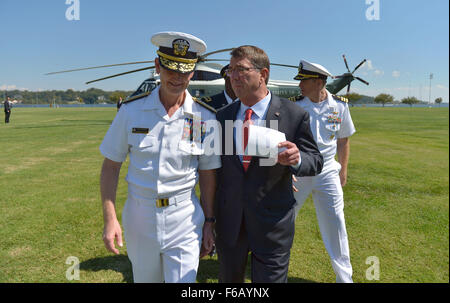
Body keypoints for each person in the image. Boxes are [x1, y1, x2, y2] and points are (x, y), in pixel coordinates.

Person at [99, 31, 221, 283]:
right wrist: (110, 218)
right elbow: (111, 166)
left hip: (185, 218)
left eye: (184, 71)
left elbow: (208, 174)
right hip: (140, 216)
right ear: (157, 66)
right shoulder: (131, 111)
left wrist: (210, 221)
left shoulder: (204, 117)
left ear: (193, 72)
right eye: (170, 70)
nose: (177, 78)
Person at [214, 45, 323, 283]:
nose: (233, 76)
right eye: (231, 70)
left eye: (241, 70)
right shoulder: (222, 116)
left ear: (263, 74)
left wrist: (297, 159)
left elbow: (315, 160)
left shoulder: (293, 114)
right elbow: (213, 168)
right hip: (230, 224)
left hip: (272, 223)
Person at [291, 60, 355, 283]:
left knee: (336, 223)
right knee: (284, 218)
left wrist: (343, 170)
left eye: (304, 81)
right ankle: (269, 263)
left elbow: (343, 140)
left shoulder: (340, 106)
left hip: (328, 171)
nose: (299, 85)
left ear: (318, 82)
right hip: (299, 169)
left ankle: (344, 278)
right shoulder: (295, 106)